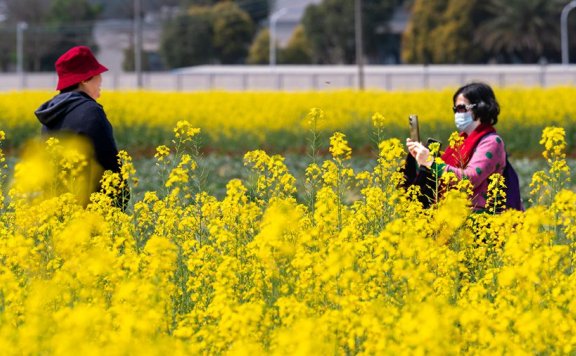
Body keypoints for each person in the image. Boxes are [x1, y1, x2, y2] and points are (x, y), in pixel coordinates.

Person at [34, 45, 128, 209]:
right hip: (92, 214)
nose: (101, 80)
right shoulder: (91, 112)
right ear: (85, 79)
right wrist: (120, 204)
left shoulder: (50, 116)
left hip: (57, 212)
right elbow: (110, 164)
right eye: (97, 74)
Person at [406, 82, 521, 211]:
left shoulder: (492, 142)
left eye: (461, 108)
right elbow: (441, 175)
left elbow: (470, 179)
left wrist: (430, 162)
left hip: (480, 220)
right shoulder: (460, 141)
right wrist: (420, 159)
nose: (457, 114)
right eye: (455, 109)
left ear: (481, 107)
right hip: (452, 215)